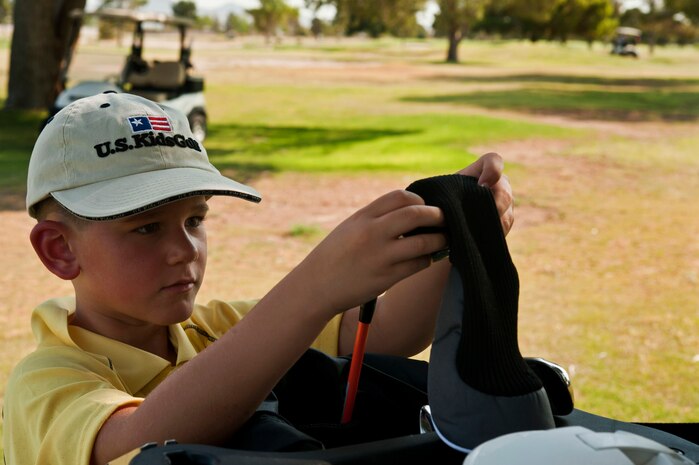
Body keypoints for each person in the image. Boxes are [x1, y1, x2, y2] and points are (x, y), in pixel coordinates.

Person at [2, 92, 513, 465]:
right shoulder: (46, 381)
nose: (184, 250)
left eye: (195, 220)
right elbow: (138, 440)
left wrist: (460, 232)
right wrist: (314, 285)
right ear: (59, 250)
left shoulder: (218, 328)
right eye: (146, 228)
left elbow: (384, 334)